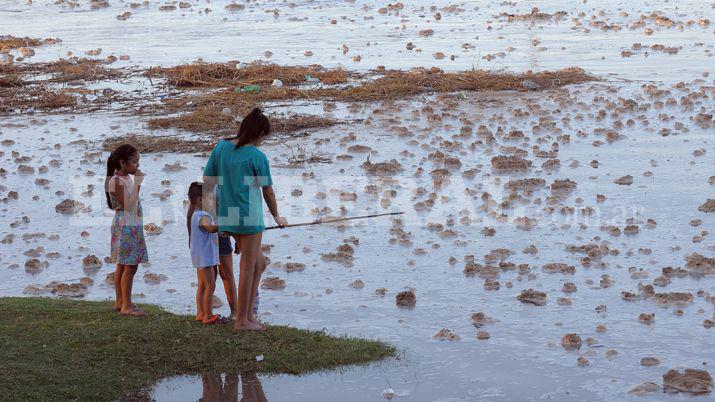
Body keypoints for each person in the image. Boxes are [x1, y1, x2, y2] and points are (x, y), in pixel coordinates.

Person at [203, 108, 287, 331]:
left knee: (259, 264)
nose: (262, 142)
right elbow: (267, 190)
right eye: (263, 137)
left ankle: (249, 315)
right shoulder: (257, 156)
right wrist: (278, 216)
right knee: (248, 268)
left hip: (228, 215)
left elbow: (208, 180)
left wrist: (211, 211)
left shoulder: (222, 147)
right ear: (259, 133)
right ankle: (241, 321)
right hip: (250, 218)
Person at [105, 143, 148, 317]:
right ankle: (126, 306)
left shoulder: (124, 178)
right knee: (129, 266)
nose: (138, 165)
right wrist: (138, 183)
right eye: (134, 162)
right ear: (122, 163)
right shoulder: (116, 181)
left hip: (131, 224)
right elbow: (129, 205)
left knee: (123, 265)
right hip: (126, 226)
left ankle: (120, 301)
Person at [188, 182, 228, 325]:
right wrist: (224, 224)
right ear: (200, 200)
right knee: (210, 286)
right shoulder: (203, 215)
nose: (212, 201)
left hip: (200, 257)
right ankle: (208, 315)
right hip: (206, 258)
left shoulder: (194, 214)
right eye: (210, 199)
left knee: (202, 286)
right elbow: (210, 229)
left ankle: (200, 313)